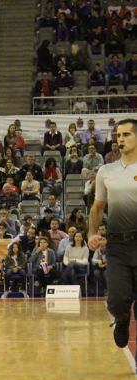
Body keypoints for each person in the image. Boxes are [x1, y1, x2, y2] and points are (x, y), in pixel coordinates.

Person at [87, 118, 137, 352]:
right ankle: (122, 319)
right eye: (118, 135)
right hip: (117, 246)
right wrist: (92, 233)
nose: (121, 139)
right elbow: (97, 208)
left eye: (126, 135)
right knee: (117, 300)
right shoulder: (106, 171)